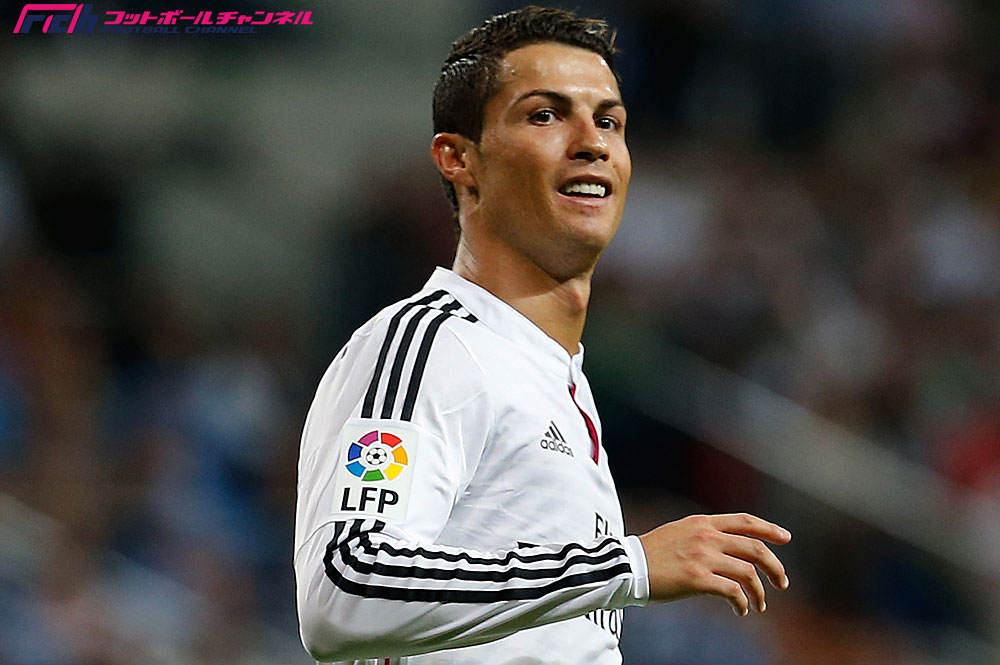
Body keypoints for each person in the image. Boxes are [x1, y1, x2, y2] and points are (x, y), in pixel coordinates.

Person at [294, 6, 791, 664]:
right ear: (458, 158)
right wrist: (629, 565)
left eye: (609, 121)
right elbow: (343, 588)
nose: (592, 142)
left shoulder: (556, 380)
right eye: (546, 115)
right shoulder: (432, 346)